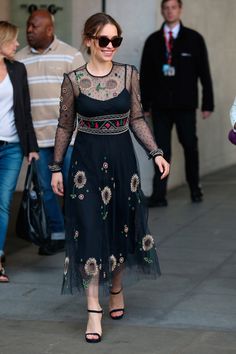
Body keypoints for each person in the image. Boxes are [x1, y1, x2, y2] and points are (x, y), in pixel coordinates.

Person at [50, 12, 169, 343]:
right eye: (104, 40)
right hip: (85, 170)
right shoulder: (73, 80)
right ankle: (93, 310)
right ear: (89, 40)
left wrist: (156, 152)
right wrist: (56, 167)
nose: (110, 46)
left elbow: (137, 118)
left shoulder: (129, 75)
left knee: (121, 227)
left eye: (116, 40)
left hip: (122, 166)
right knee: (89, 232)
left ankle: (116, 288)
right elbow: (64, 125)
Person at [16, 10, 85, 255]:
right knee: (46, 189)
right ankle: (57, 234)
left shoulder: (71, 56)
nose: (29, 30)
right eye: (27, 26)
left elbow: (83, 96)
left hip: (68, 139)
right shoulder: (18, 58)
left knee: (73, 187)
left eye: (34, 26)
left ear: (49, 30)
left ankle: (76, 233)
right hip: (38, 139)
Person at [140, 0, 214, 207]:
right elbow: (145, 76)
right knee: (161, 151)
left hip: (185, 106)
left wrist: (208, 103)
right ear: (162, 11)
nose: (170, 11)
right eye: (166, 8)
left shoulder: (194, 39)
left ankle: (194, 189)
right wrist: (144, 105)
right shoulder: (153, 41)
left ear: (180, 10)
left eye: (173, 7)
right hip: (160, 106)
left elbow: (204, 73)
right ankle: (159, 195)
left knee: (190, 146)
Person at [0, 21, 39, 283]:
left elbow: (25, 111)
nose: (17, 44)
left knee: (3, 204)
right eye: (13, 40)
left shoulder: (18, 69)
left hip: (12, 147)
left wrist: (31, 148)